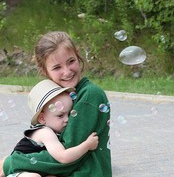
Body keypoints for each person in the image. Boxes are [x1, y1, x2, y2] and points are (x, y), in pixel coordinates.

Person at [2, 31, 112, 176]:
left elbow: (66, 156)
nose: (67, 72)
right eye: (57, 67)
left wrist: (11, 162)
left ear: (78, 57)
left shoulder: (89, 95)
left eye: (71, 61)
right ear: (44, 71)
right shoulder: (60, 97)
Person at [5, 79, 98, 177]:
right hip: (17, 172)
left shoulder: (54, 129)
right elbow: (63, 157)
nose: (67, 119)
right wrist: (87, 145)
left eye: (69, 114)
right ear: (42, 118)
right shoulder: (45, 132)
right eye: (60, 115)